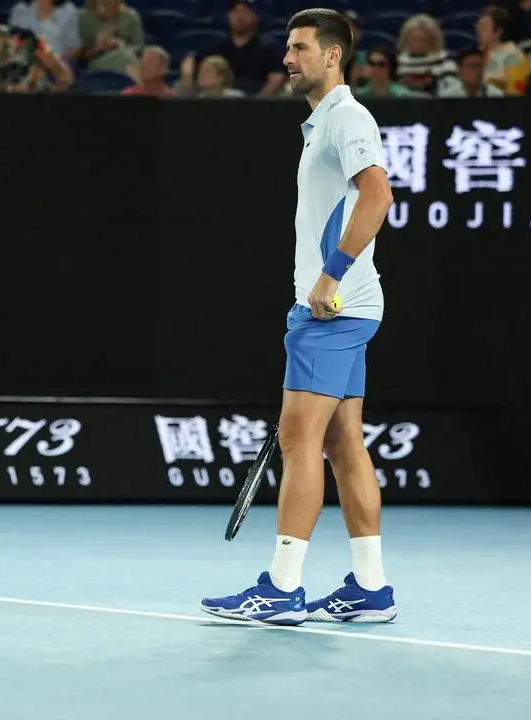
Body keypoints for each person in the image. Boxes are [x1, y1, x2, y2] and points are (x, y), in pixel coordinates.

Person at [200, 8, 397, 625]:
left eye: (300, 48)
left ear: (333, 55)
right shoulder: (321, 126)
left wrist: (331, 275)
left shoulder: (346, 118)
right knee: (343, 445)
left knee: (300, 442)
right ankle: (371, 587)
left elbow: (379, 194)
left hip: (334, 310)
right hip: (349, 309)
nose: (288, 59)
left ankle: (282, 588)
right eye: (288, 48)